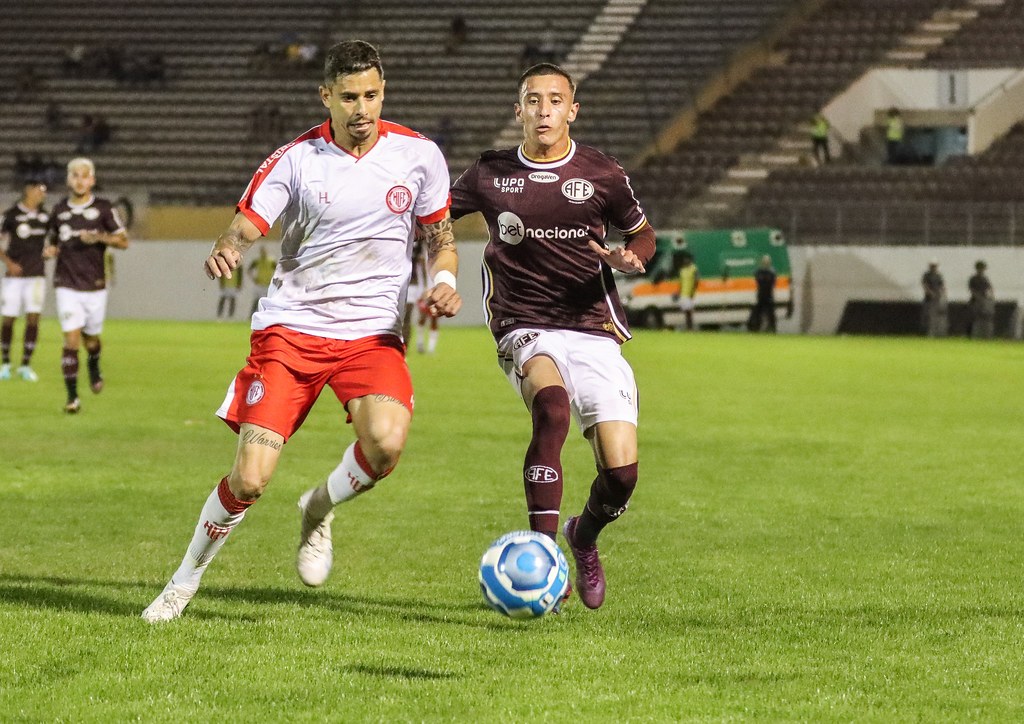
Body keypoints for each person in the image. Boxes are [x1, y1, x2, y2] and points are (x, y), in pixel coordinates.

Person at [141, 39, 461, 623]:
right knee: (250, 478)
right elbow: (245, 224)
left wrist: (443, 280)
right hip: (292, 332)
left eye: (370, 95)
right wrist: (229, 247)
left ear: (383, 92)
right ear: (326, 96)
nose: (361, 109)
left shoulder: (420, 155)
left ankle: (318, 506)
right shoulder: (296, 159)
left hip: (371, 335)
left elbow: (441, 238)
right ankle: (182, 584)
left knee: (386, 443)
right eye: (348, 97)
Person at [450, 63, 656, 611]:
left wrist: (632, 257)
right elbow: (434, 215)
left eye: (555, 100)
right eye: (534, 100)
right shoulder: (490, 173)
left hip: (593, 328)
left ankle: (582, 536)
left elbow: (643, 234)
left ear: (573, 110)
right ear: (518, 110)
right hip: (523, 322)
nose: (544, 110)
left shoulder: (601, 173)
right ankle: (544, 558)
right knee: (552, 409)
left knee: (622, 475)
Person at [43, 158, 129, 413]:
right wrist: (50, 250)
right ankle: (72, 398)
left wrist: (99, 237)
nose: (79, 181)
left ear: (92, 180)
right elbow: (52, 241)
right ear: (68, 180)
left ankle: (93, 364)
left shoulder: (103, 208)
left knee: (91, 340)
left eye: (84, 176)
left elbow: (124, 241)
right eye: (75, 176)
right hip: (66, 283)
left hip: (95, 285)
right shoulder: (59, 210)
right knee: (71, 340)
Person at [0, 179, 50, 382]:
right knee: (8, 318)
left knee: (33, 318)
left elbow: (55, 241)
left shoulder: (45, 217)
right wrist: (9, 263)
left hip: (36, 276)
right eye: (39, 190)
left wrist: (51, 250)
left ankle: (25, 365)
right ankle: (5, 363)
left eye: (44, 191)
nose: (42, 194)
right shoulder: (10, 215)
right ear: (28, 190)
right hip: (14, 277)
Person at [749, 254, 777, 333]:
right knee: (758, 313)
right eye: (765, 261)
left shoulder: (768, 272)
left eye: (766, 262)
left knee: (770, 314)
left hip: (767, 296)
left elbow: (771, 282)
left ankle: (771, 328)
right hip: (762, 296)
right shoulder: (763, 272)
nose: (766, 263)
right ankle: (757, 327)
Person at [967, 260, 995, 339]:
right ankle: (974, 335)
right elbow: (971, 289)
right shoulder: (973, 278)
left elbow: (990, 288)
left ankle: (985, 335)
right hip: (975, 301)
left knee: (986, 319)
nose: (982, 270)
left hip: (985, 301)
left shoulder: (985, 278)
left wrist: (990, 297)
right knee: (975, 319)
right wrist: (978, 297)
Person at [247, 244, 277, 316]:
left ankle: (267, 315)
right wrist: (254, 279)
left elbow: (278, 270)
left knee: (268, 300)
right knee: (256, 300)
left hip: (268, 284)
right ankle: (251, 315)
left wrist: (274, 280)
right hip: (259, 283)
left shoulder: (271, 260)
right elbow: (249, 270)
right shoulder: (257, 261)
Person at [921, 258, 947, 338]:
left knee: (937, 317)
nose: (934, 267)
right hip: (929, 299)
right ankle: (929, 333)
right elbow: (925, 285)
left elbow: (942, 286)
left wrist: (942, 294)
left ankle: (937, 333)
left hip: (937, 299)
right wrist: (930, 293)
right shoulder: (926, 275)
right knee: (929, 316)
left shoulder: (938, 276)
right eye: (932, 266)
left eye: (935, 266)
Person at [676, 252, 699, 331]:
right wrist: (678, 292)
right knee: (686, 311)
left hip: (690, 294)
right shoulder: (682, 271)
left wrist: (693, 291)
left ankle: (690, 327)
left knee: (689, 311)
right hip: (683, 294)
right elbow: (681, 283)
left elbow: (696, 280)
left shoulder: (693, 269)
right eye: (685, 259)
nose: (686, 261)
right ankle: (688, 326)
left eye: (687, 259)